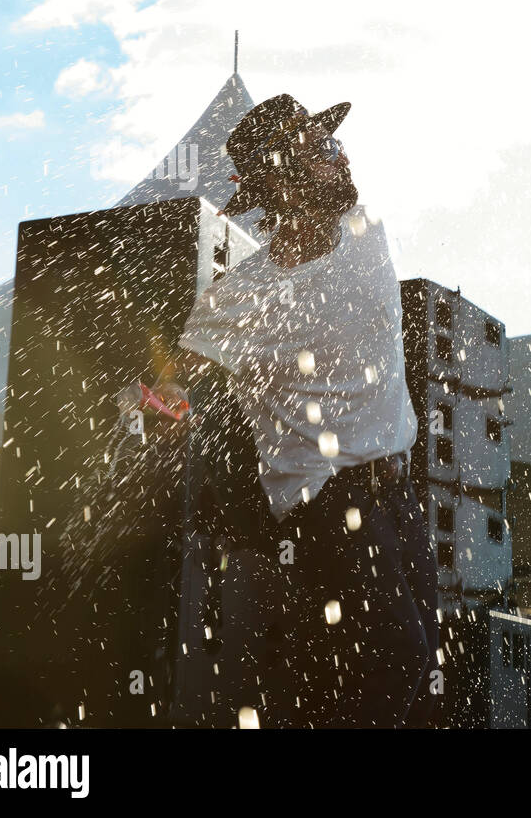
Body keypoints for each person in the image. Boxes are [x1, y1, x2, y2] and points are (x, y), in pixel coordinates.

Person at [149, 93, 437, 727]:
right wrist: (153, 393)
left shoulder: (364, 228)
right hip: (327, 502)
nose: (340, 155)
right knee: (396, 660)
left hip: (397, 491)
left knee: (417, 673)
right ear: (279, 181)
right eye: (319, 149)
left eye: (332, 143)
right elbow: (171, 377)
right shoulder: (244, 297)